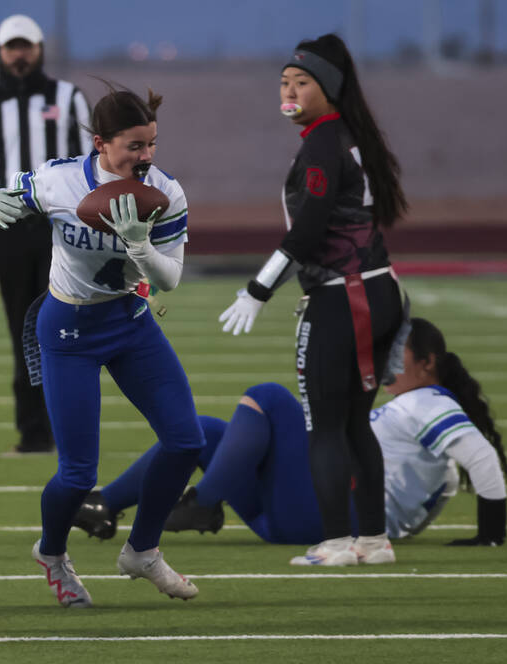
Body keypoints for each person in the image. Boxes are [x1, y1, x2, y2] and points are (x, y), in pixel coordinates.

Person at [0, 83, 202, 607]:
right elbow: (19, 192)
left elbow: (169, 279)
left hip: (129, 322)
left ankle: (143, 550)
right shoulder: (62, 179)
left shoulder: (165, 193)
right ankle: (52, 553)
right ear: (102, 143)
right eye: (134, 146)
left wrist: (140, 247)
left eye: (151, 144)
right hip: (68, 330)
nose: (146, 157)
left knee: (187, 442)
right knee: (79, 473)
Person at [216, 34, 407, 566]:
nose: (291, 89)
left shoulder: (323, 143)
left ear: (330, 90)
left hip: (341, 297)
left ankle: (335, 543)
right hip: (380, 289)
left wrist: (257, 290)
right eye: (285, 81)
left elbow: (308, 231)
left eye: (303, 81)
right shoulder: (348, 137)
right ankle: (373, 539)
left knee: (324, 425)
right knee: (353, 424)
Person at [76, 318, 507, 552]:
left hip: (338, 518)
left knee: (269, 398)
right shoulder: (414, 411)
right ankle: (104, 505)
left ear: (429, 363)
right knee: (202, 431)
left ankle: (202, 504)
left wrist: (489, 534)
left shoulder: (430, 402)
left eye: (396, 353)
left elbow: (484, 460)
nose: (383, 360)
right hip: (304, 512)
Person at [0, 14, 91, 454]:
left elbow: (94, 165)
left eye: (26, 46)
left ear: (39, 50)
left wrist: (95, 229)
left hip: (61, 230)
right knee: (22, 330)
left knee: (64, 328)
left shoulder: (69, 98)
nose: (19, 54)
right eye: (11, 47)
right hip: (10, 233)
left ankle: (67, 428)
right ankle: (33, 431)